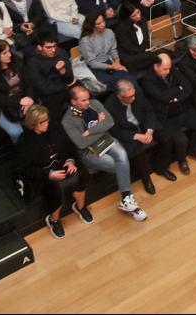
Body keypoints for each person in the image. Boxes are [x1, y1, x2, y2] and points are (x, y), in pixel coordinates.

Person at [60, 85, 147, 221]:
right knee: (118, 165)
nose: (88, 102)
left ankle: (126, 198)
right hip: (87, 151)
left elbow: (110, 122)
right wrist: (100, 126)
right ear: (73, 102)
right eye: (83, 100)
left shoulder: (94, 103)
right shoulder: (67, 121)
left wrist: (90, 131)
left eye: (88, 98)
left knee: (122, 156)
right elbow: (81, 143)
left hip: (105, 140)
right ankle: (127, 200)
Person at [15, 104, 91, 239]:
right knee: (54, 189)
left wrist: (70, 160)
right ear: (32, 124)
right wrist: (48, 174)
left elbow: (68, 145)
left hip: (62, 163)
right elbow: (25, 169)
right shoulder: (24, 141)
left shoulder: (55, 127)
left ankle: (81, 207)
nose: (46, 125)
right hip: (43, 172)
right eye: (41, 123)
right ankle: (54, 220)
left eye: (47, 121)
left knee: (82, 173)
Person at [139, 53, 196, 176]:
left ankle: (195, 151)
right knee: (181, 140)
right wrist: (178, 89)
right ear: (156, 66)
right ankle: (182, 161)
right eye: (165, 69)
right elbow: (162, 97)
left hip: (183, 108)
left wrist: (176, 99)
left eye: (169, 68)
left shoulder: (172, 69)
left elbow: (188, 87)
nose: (168, 71)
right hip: (167, 117)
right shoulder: (147, 80)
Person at [105, 80, 173, 195]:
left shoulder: (137, 94)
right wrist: (136, 136)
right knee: (138, 152)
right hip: (129, 132)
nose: (133, 98)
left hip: (144, 125)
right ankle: (147, 180)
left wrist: (150, 130)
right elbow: (115, 131)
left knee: (166, 138)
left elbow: (149, 111)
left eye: (134, 94)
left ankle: (162, 168)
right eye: (129, 97)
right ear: (119, 96)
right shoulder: (109, 106)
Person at [0, 38, 30, 143]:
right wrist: (19, 102)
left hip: (23, 100)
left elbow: (29, 82)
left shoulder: (17, 61)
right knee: (17, 132)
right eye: (4, 53)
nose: (9, 55)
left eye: (9, 51)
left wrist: (29, 98)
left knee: (39, 121)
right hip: (3, 107)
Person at [24, 30, 78, 119]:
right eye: (48, 47)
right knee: (56, 116)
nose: (53, 50)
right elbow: (43, 88)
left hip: (64, 86)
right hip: (50, 94)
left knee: (84, 96)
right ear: (39, 47)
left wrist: (63, 72)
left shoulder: (62, 53)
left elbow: (70, 79)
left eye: (54, 46)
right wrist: (65, 86)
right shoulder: (33, 63)